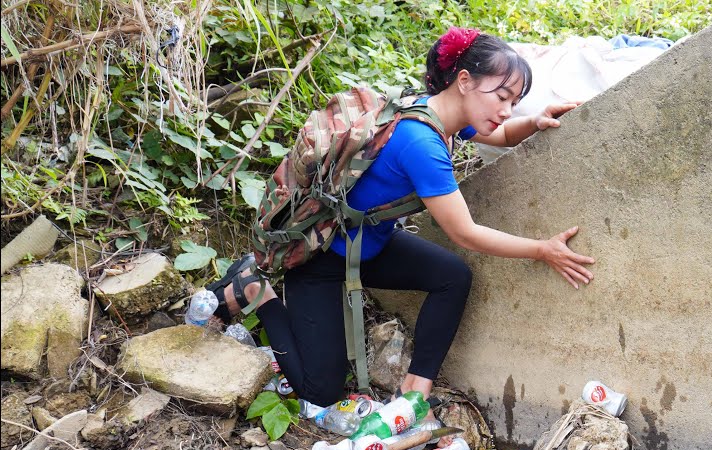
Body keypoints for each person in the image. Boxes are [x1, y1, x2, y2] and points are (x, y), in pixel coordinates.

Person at [210, 28, 595, 408]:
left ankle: (415, 389)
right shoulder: (421, 143)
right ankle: (254, 288)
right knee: (320, 392)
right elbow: (465, 233)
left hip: (369, 247)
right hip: (321, 257)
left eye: (515, 101)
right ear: (464, 81)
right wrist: (542, 250)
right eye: (502, 96)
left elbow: (504, 134)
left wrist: (536, 120)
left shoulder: (434, 112)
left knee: (452, 277)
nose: (507, 110)